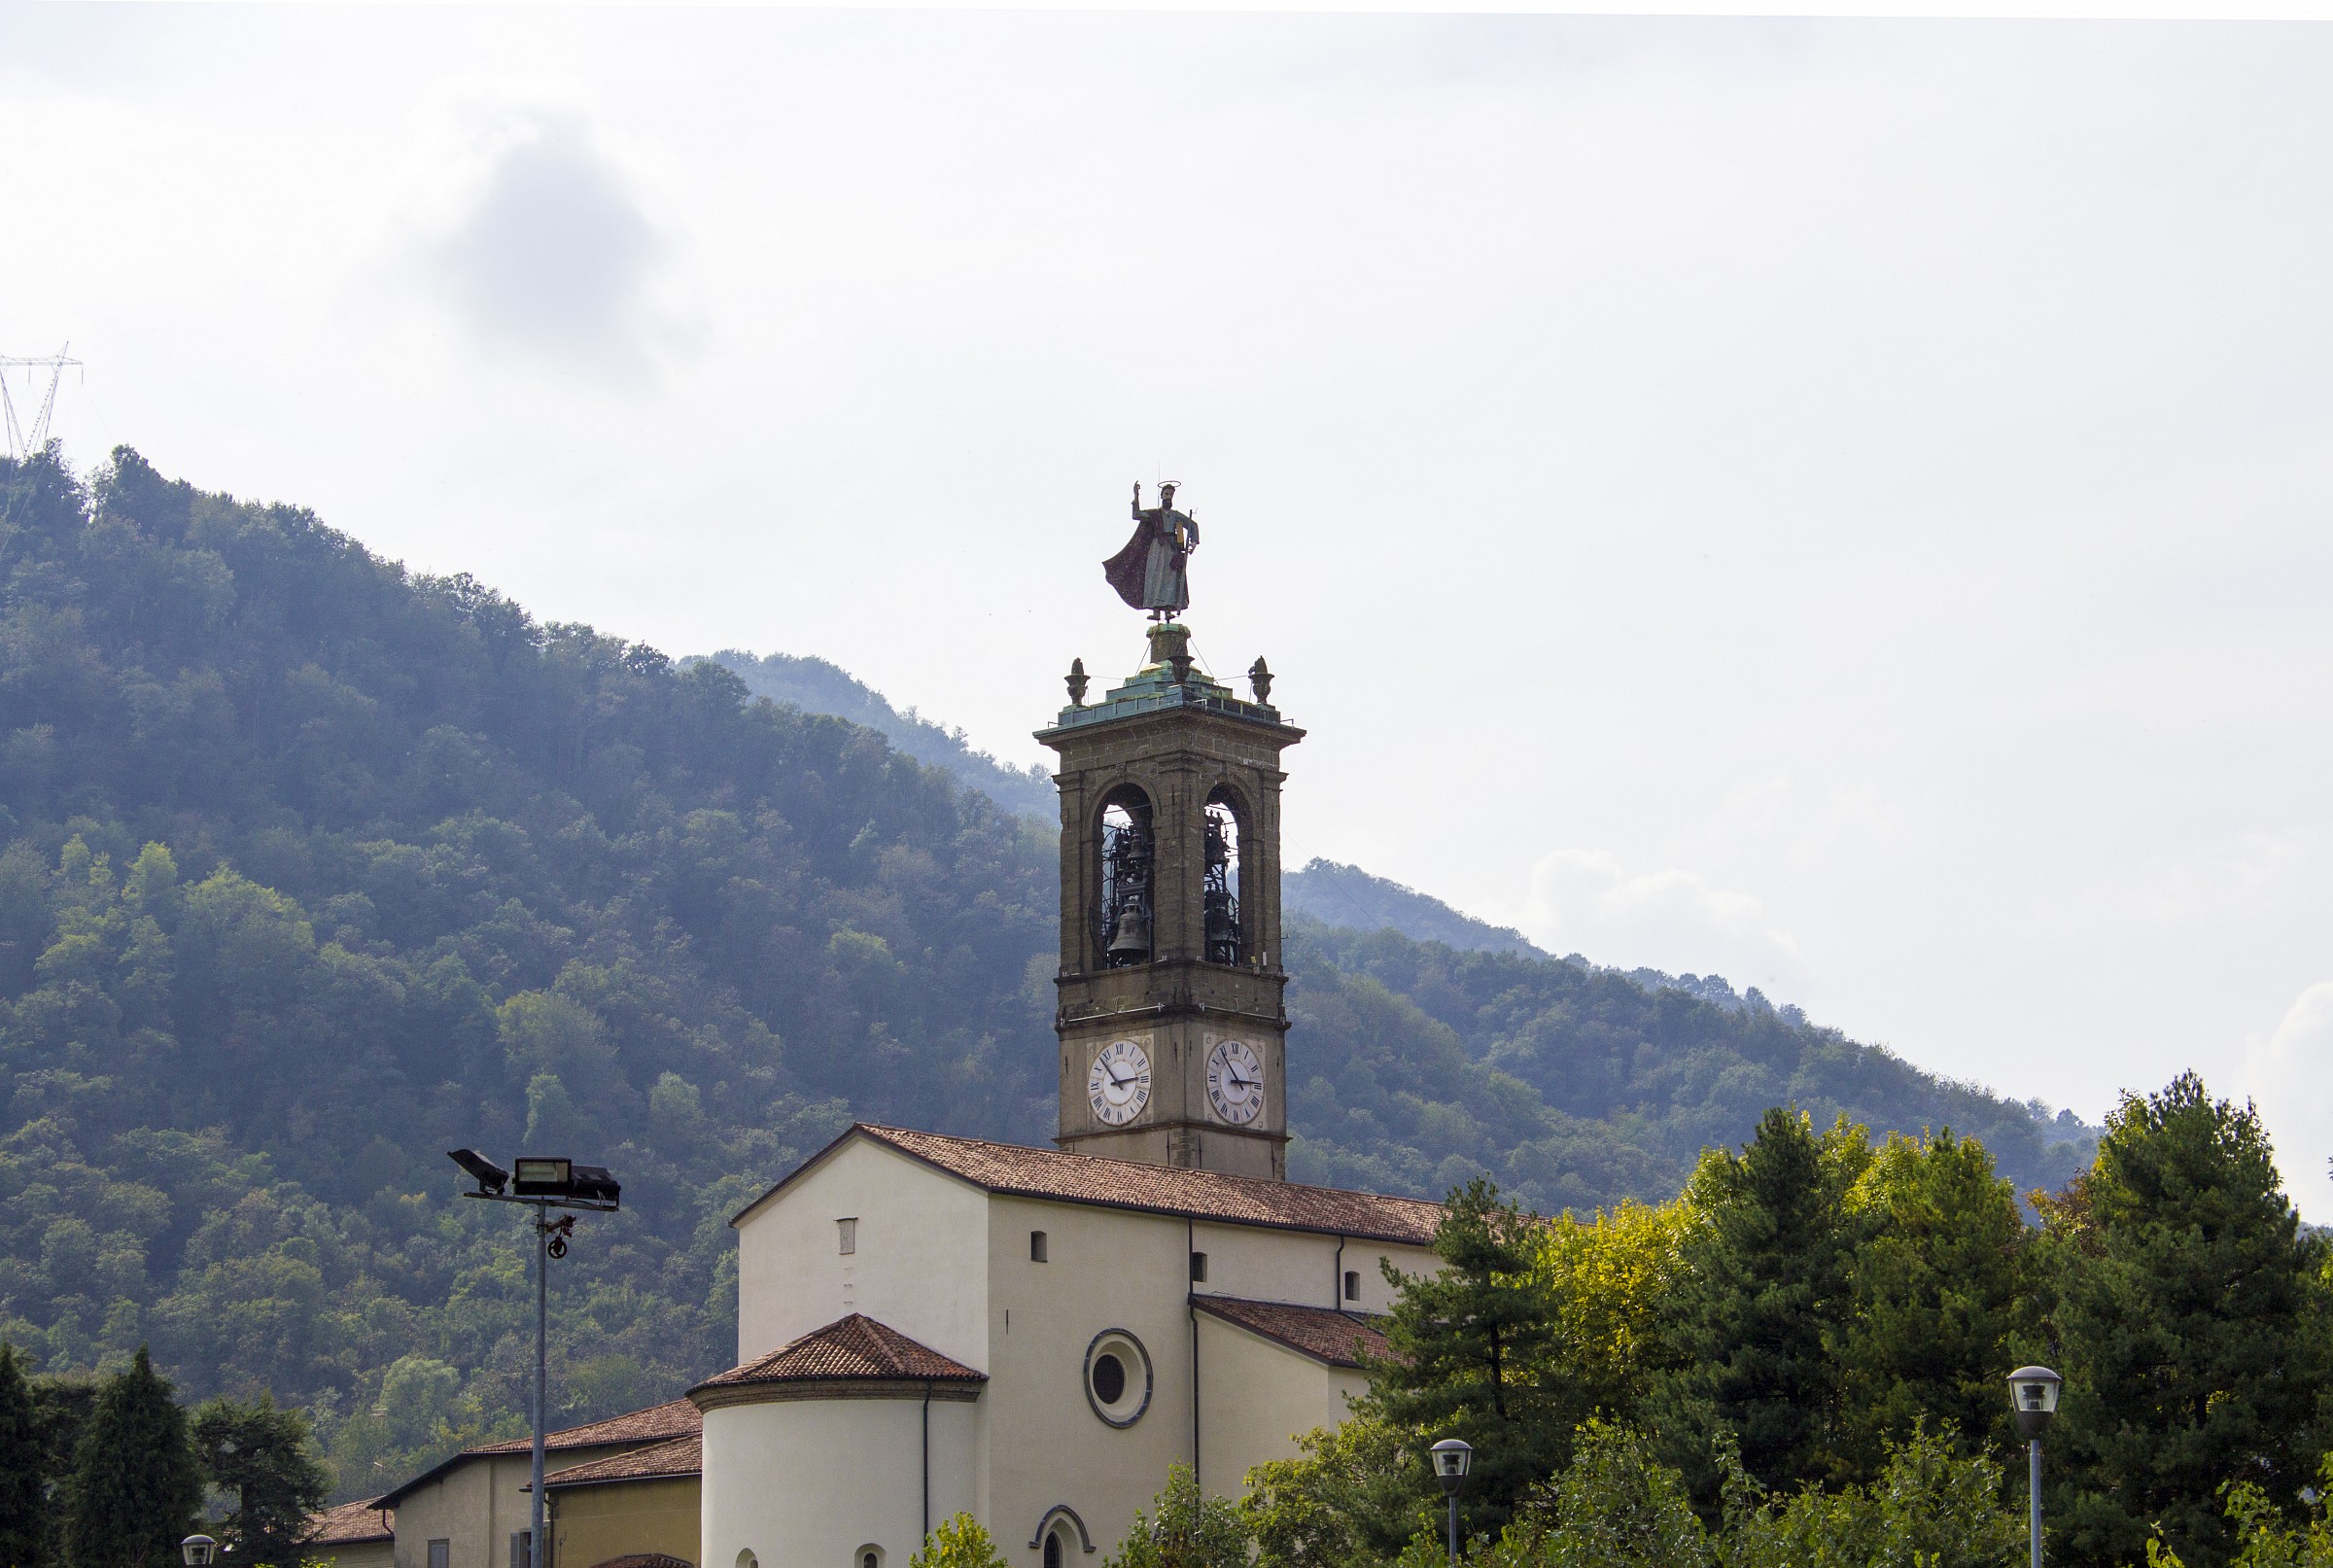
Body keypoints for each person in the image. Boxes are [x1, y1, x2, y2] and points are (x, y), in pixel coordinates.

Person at [1103, 481, 1200, 618]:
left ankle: (1168, 609)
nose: (1168, 497)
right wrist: (1136, 496)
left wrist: (1194, 541)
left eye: (1171, 495)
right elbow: (1136, 514)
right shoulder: (1154, 514)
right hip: (1156, 548)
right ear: (1161, 495)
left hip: (1171, 549)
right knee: (1154, 577)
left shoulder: (1175, 515)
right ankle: (1155, 609)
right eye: (1166, 494)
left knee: (1169, 579)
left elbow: (1192, 525)